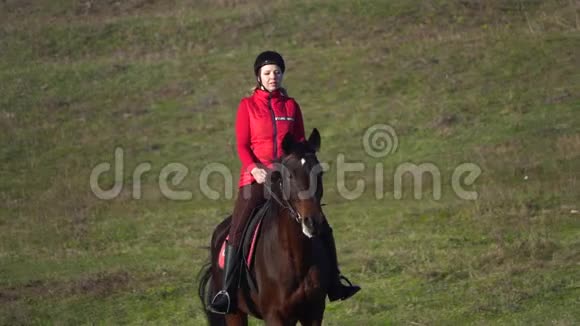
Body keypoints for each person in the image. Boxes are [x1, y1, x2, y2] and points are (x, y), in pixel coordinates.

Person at [209, 51, 360, 314]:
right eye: (267, 73)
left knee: (320, 223)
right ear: (258, 76)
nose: (272, 77)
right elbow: (243, 145)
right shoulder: (247, 106)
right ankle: (227, 291)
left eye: (277, 72)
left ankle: (335, 284)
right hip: (256, 178)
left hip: (287, 178)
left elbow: (300, 143)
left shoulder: (291, 106)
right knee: (237, 229)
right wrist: (255, 169)